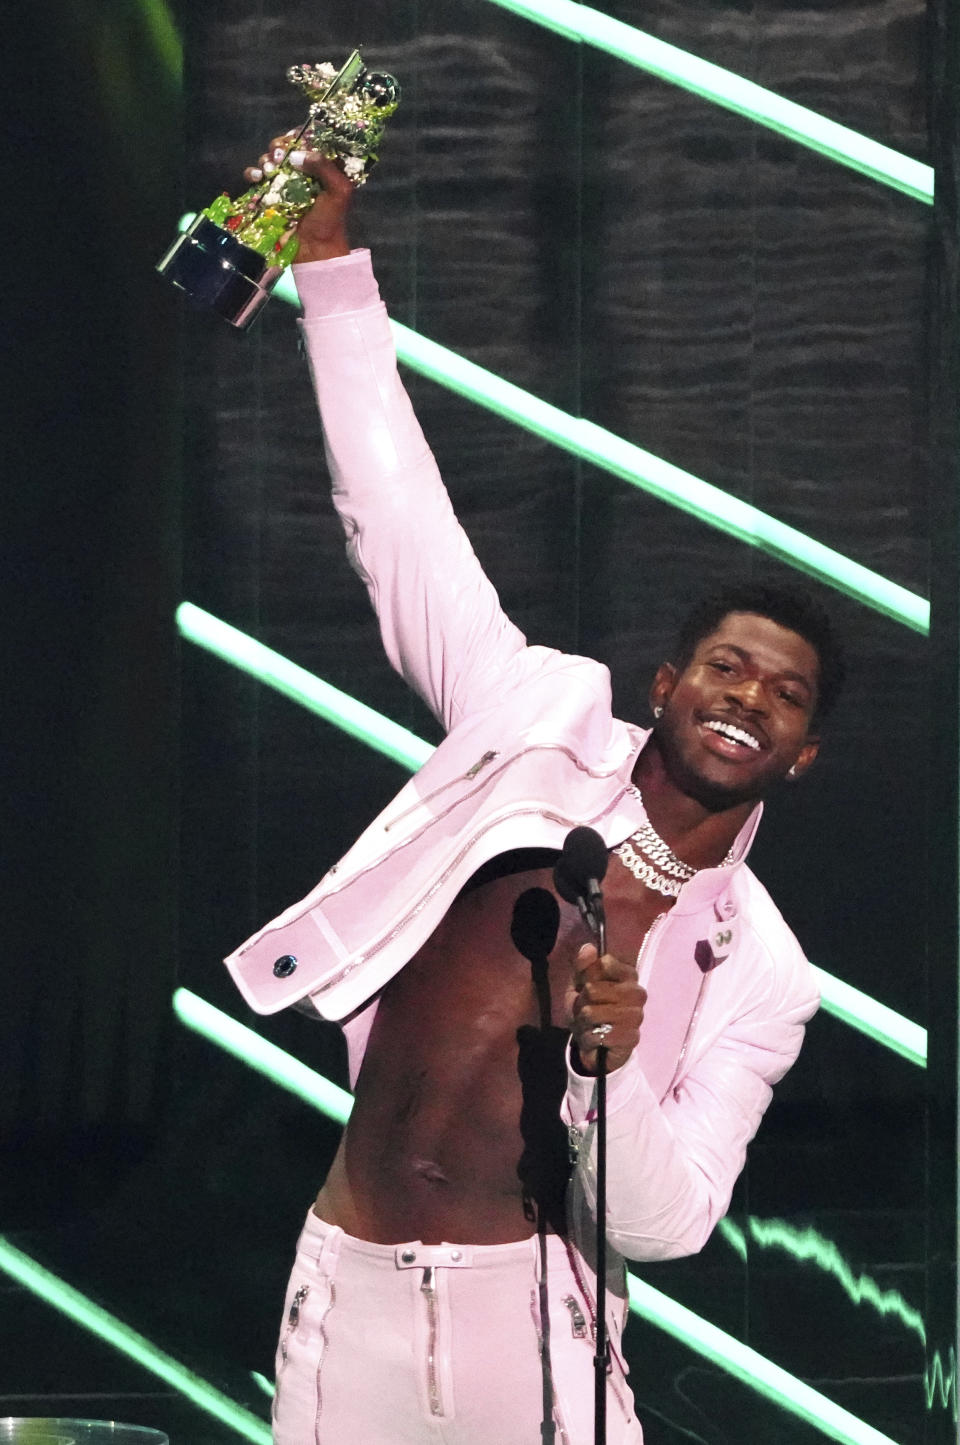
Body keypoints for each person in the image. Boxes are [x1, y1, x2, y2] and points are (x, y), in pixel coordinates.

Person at [224, 146, 845, 1444]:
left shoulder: (765, 972)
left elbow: (672, 1226)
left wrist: (603, 1069)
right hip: (351, 1290)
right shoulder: (530, 718)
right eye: (728, 664)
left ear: (803, 754)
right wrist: (332, 274)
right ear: (668, 683)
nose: (749, 694)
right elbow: (400, 531)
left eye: (784, 694)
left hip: (539, 1327)